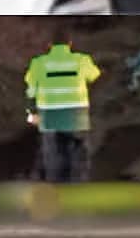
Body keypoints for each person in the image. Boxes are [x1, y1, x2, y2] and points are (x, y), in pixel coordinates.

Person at [24, 32, 102, 183]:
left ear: (49, 45)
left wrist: (31, 112)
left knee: (52, 154)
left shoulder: (38, 63)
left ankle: (56, 189)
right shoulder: (81, 60)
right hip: (76, 114)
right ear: (70, 44)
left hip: (49, 115)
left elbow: (31, 89)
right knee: (78, 154)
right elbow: (95, 76)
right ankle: (77, 191)